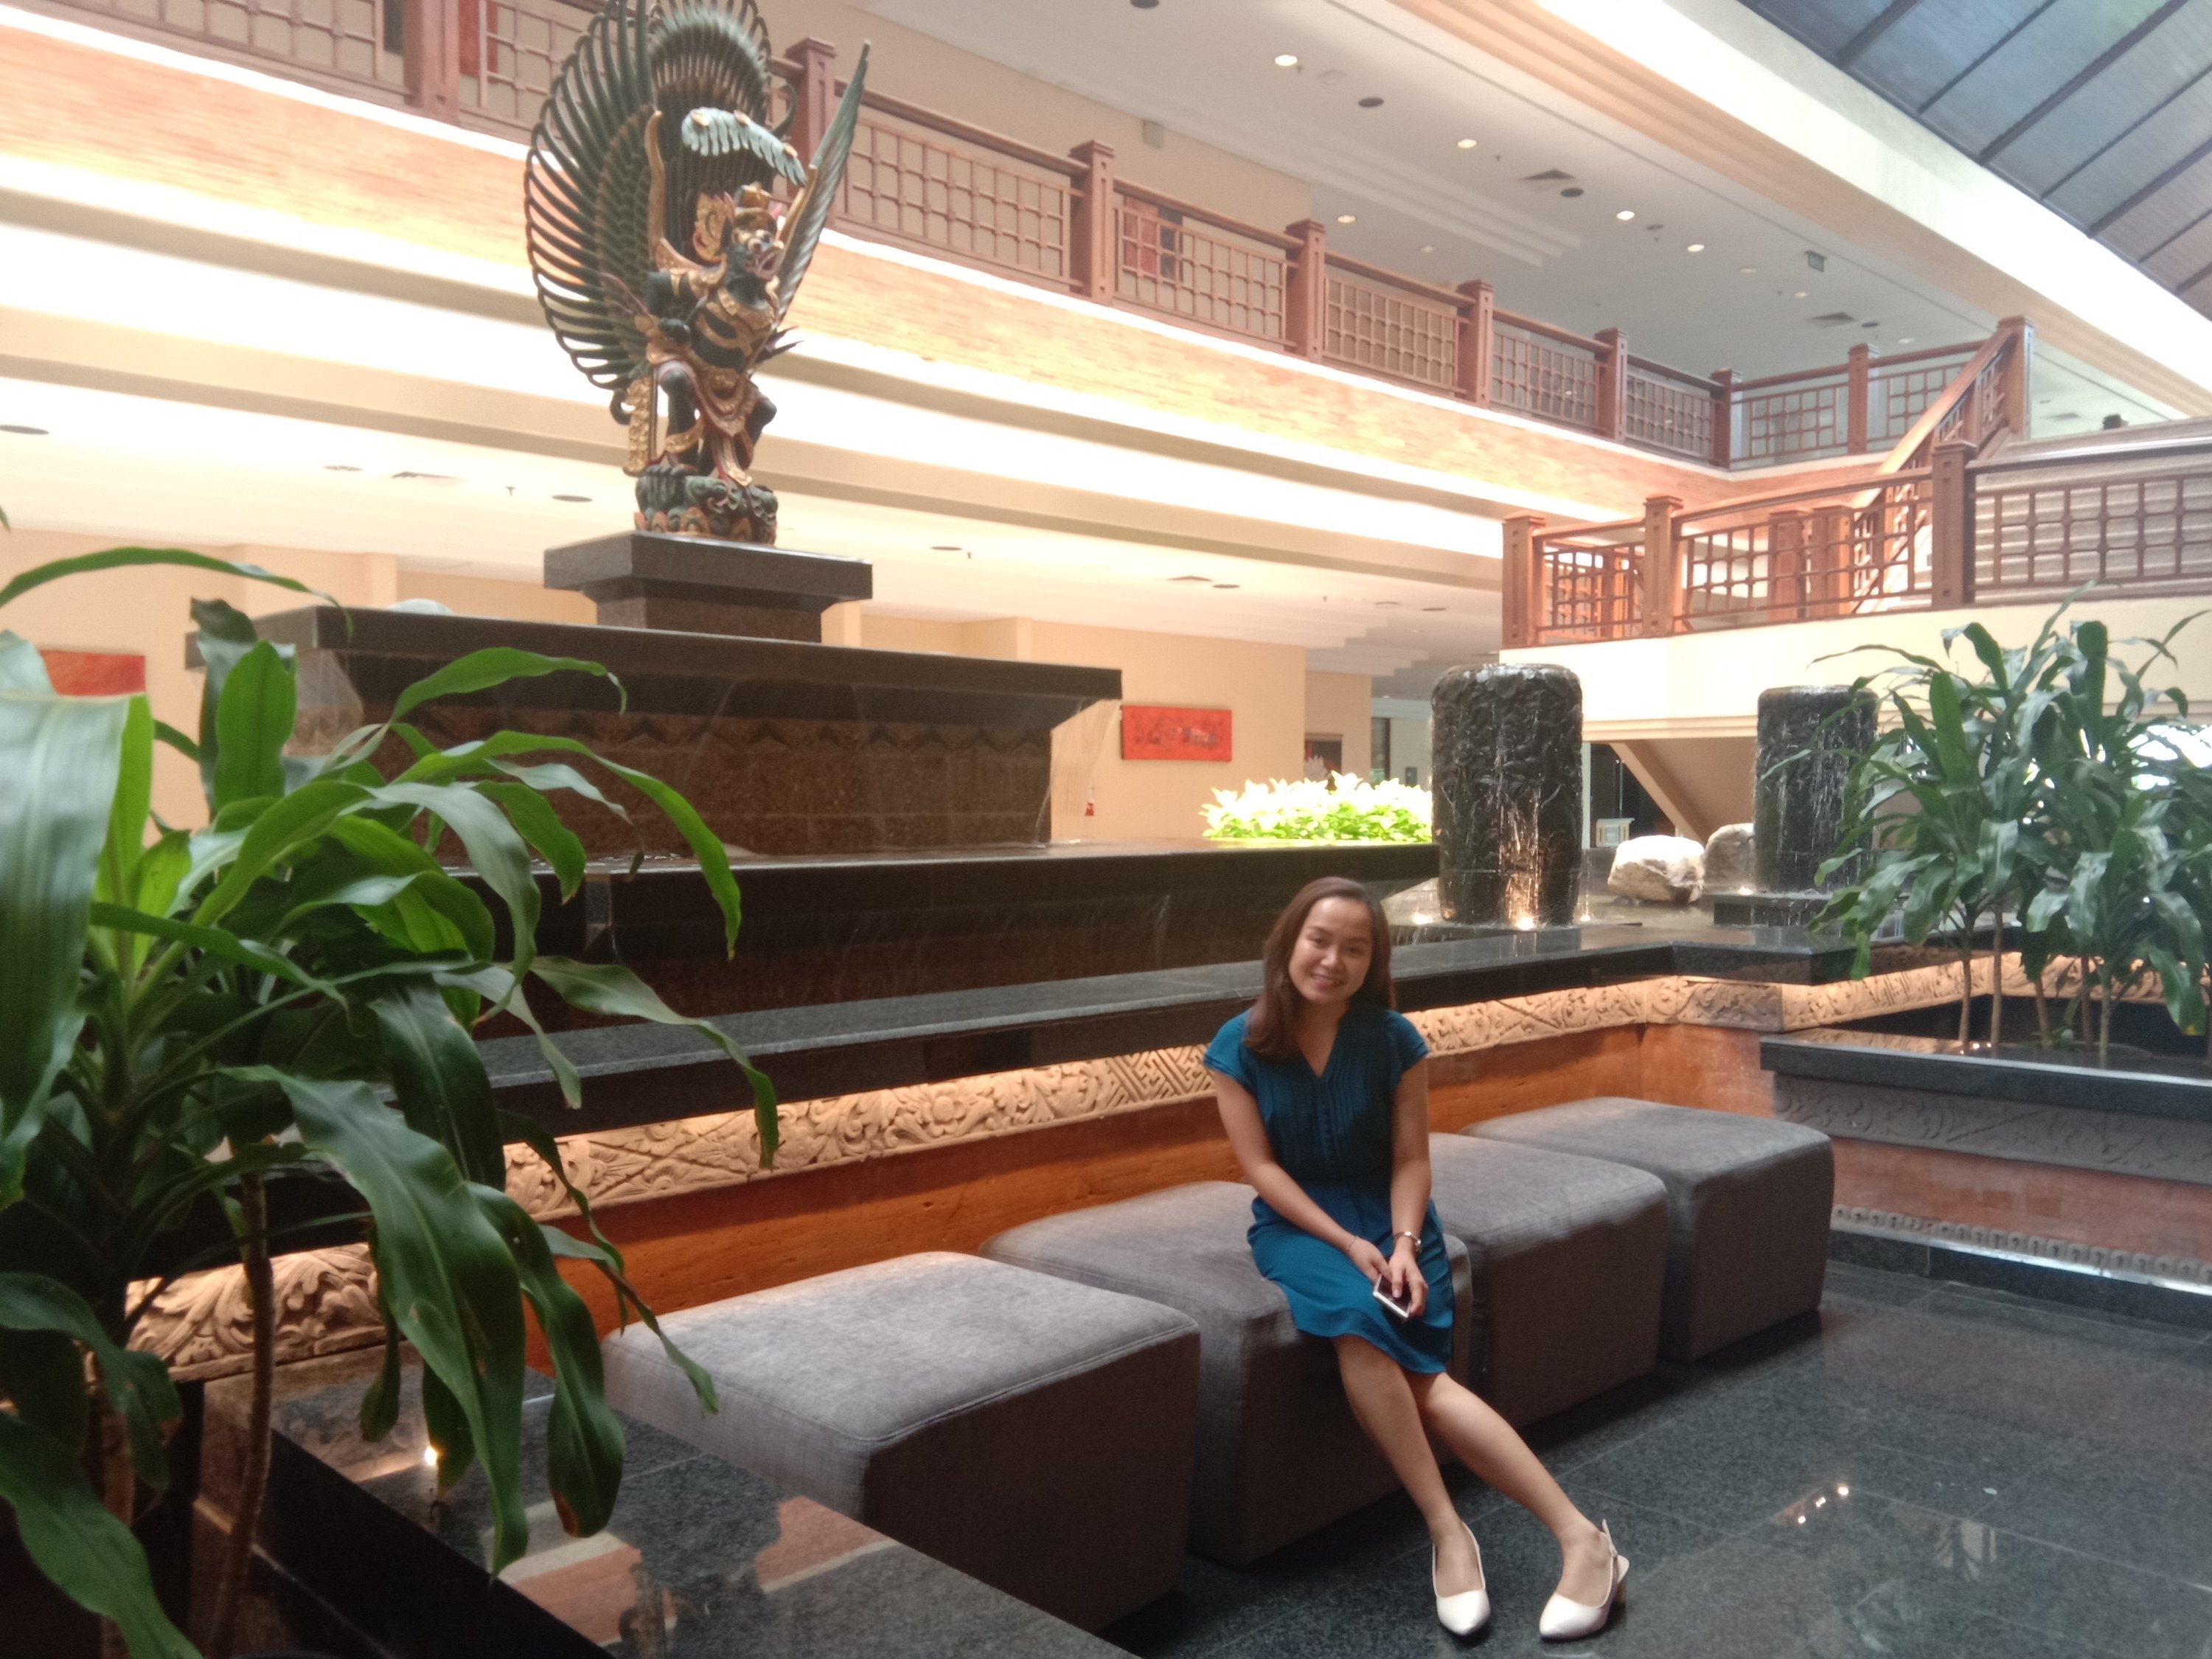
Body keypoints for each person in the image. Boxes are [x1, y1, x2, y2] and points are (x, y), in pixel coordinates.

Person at [1203, 877, 1628, 1641]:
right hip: (1301, 1229)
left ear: (1374, 962)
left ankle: (1570, 1543)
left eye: (1354, 949)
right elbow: (1262, 1170)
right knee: (1358, 1322)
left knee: (1416, 1375)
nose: (1331, 960)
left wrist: (1402, 1243)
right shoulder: (1239, 1044)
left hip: (1396, 1218)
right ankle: (1462, 1532)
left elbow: (1411, 1159)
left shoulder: (1394, 1039)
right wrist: (1347, 1244)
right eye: (1318, 940)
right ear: (1288, 942)